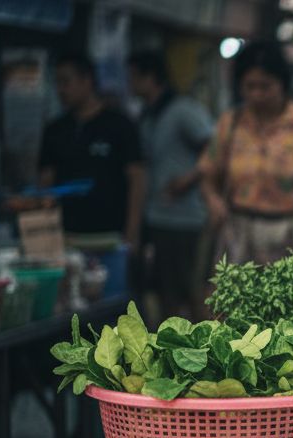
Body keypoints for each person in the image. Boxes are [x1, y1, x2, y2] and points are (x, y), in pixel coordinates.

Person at [197, 41, 293, 264]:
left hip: (291, 236)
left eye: (265, 86)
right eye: (249, 86)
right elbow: (208, 174)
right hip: (239, 236)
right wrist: (212, 199)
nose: (257, 94)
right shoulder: (231, 123)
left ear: (283, 84)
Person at [127, 51, 214, 320]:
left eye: (133, 78)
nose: (129, 84)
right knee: (166, 293)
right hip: (157, 216)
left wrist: (187, 180)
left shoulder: (183, 111)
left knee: (193, 292)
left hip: (185, 218)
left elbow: (215, 147)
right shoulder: (148, 114)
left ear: (150, 78)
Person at [38, 51, 145, 255]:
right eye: (57, 83)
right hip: (66, 237)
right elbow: (46, 182)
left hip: (110, 236)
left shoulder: (120, 125)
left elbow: (137, 179)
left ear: (87, 80)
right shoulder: (55, 130)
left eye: (66, 82)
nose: (61, 90)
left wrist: (132, 232)